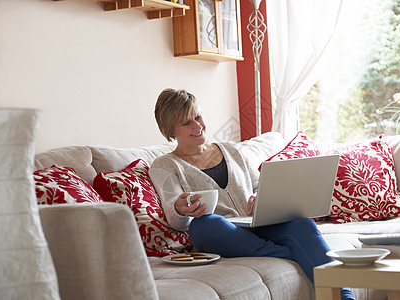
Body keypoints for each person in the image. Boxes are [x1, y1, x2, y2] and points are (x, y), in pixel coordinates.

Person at [149, 88, 355, 300]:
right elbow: (174, 217)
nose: (197, 125)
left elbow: (259, 186)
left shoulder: (232, 150)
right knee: (203, 226)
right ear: (170, 130)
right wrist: (180, 209)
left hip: (258, 224)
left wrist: (259, 198)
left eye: (198, 116)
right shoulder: (164, 165)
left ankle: (345, 297)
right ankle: (294, 254)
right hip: (223, 233)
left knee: (303, 224)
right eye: (187, 123)